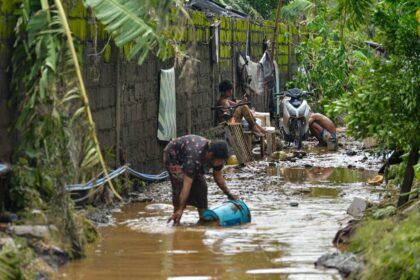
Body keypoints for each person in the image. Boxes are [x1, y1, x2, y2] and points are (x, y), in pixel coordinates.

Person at [164, 135, 239, 225]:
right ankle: (176, 218)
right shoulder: (194, 156)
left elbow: (218, 177)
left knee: (202, 187)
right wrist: (180, 209)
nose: (221, 163)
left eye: (223, 161)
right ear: (210, 154)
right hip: (174, 155)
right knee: (179, 184)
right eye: (219, 161)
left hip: (194, 158)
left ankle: (204, 218)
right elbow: (186, 184)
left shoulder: (218, 157)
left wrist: (229, 194)